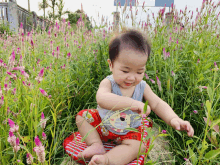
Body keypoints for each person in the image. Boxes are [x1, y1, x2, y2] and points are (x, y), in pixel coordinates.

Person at [75, 28, 194, 165]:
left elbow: (157, 104)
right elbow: (102, 98)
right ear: (111, 65)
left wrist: (174, 118)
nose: (131, 77)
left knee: (139, 147)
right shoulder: (108, 83)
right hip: (104, 126)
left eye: (139, 71)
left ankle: (107, 159)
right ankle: (96, 144)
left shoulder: (142, 86)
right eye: (125, 70)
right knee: (81, 117)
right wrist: (131, 103)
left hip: (129, 130)